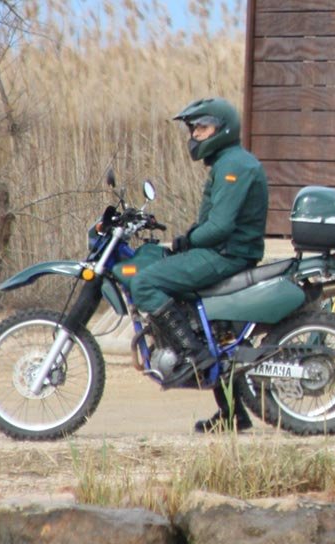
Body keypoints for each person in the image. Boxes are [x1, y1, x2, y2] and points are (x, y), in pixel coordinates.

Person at [130, 97, 268, 433]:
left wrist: (187, 240)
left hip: (226, 254)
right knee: (208, 326)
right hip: (225, 251)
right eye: (192, 129)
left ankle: (193, 355)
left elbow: (219, 227)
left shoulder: (234, 165)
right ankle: (234, 414)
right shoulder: (226, 162)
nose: (195, 135)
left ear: (223, 128)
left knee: (145, 283)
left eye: (201, 127)